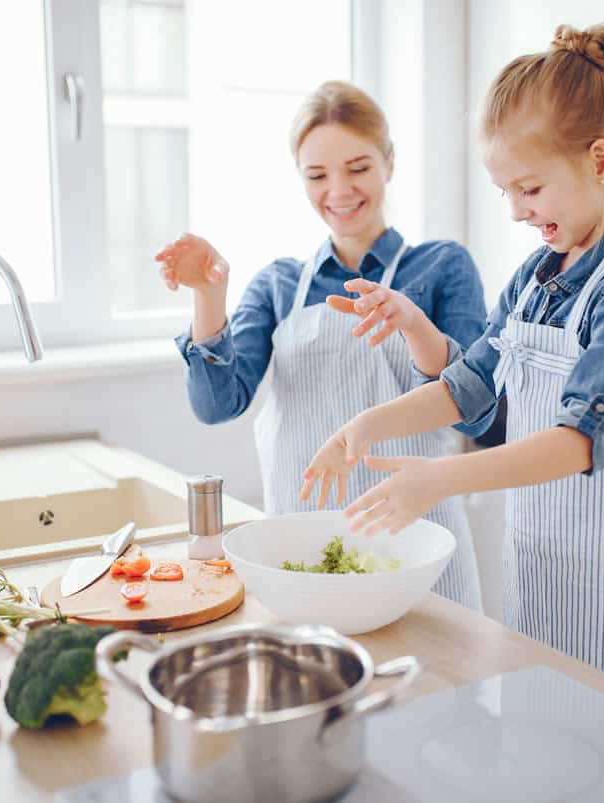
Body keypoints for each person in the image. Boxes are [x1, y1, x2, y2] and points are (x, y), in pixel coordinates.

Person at [303, 26, 604, 706]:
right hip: (544, 575)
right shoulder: (535, 279)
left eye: (529, 187)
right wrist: (365, 425)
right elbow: (469, 387)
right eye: (505, 192)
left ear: (601, 162)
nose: (516, 211)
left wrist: (439, 477)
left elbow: (579, 441)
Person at [156, 81, 486, 610]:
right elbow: (217, 405)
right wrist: (208, 295)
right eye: (317, 175)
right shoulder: (278, 284)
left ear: (389, 161)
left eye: (358, 168)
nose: (339, 191)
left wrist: (412, 322)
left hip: (421, 547)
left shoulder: (443, 267)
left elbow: (473, 412)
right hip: (303, 551)